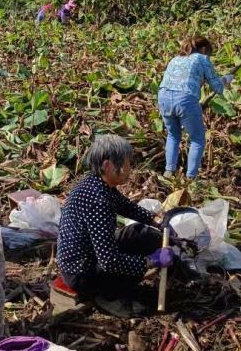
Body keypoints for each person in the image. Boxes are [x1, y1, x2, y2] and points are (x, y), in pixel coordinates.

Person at [57, 134, 174, 317]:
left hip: (88, 256)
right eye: (127, 164)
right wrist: (150, 262)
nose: (130, 169)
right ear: (108, 166)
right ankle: (108, 296)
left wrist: (155, 221)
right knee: (129, 258)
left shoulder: (97, 184)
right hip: (82, 273)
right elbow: (109, 261)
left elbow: (125, 205)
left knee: (138, 233)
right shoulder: (97, 202)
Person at [158, 35, 233, 180]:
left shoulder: (175, 59)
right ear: (204, 49)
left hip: (163, 97)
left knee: (173, 135)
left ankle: (169, 172)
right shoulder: (201, 58)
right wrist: (227, 79)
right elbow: (217, 87)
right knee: (197, 138)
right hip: (185, 98)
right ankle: (190, 178)